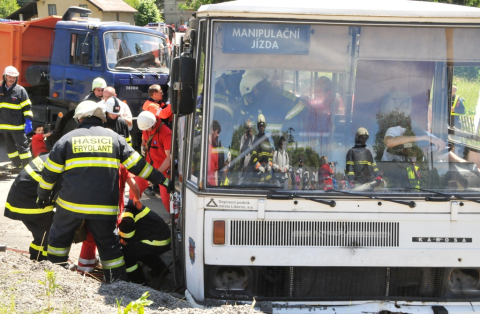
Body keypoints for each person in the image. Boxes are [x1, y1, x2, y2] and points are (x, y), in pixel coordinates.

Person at [37, 100, 173, 283]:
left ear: (79, 119)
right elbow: (139, 166)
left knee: (59, 241)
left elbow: (49, 174)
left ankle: (53, 280)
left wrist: (42, 196)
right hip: (104, 208)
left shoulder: (67, 139)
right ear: (101, 119)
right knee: (110, 248)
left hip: (70, 205)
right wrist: (163, 180)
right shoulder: (115, 138)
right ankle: (117, 285)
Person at [4, 154, 58, 261]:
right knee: (53, 234)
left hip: (22, 198)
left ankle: (36, 259)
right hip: (30, 201)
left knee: (41, 235)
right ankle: (50, 263)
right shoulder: (61, 162)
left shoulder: (54, 155)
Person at [119, 199, 171, 284]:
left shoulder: (125, 211)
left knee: (127, 254)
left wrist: (123, 240)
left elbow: (126, 237)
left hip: (156, 241)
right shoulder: (128, 204)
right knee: (141, 250)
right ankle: (161, 270)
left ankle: (138, 282)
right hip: (160, 238)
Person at [134, 111, 172, 215]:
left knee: (167, 200)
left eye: (146, 128)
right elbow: (144, 135)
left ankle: (176, 220)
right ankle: (131, 215)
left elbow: (168, 159)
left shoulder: (166, 133)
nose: (145, 131)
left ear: (153, 124)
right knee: (135, 190)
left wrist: (155, 175)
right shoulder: (146, 126)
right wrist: (143, 144)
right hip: (148, 167)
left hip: (162, 171)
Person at [0, 66, 33, 169]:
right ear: (5, 76)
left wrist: (28, 121)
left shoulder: (20, 90)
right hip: (4, 125)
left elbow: (27, 108)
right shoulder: (0, 89)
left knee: (23, 147)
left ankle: (27, 168)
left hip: (17, 125)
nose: (12, 79)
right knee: (10, 148)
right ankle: (17, 165)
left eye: (14, 77)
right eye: (10, 77)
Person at [251, 114, 272, 184]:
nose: (261, 127)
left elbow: (270, 153)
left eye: (263, 126)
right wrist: (258, 165)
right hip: (259, 171)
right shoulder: (256, 139)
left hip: (266, 169)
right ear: (258, 127)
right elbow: (253, 154)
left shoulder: (267, 139)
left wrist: (269, 164)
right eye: (260, 126)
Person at [238, 120, 254, 185]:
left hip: (250, 170)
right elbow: (241, 151)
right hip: (243, 170)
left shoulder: (253, 138)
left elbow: (254, 151)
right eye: (247, 129)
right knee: (239, 186)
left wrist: (251, 137)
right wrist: (246, 139)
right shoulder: (243, 138)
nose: (248, 130)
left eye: (249, 129)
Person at [208, 120, 221, 186]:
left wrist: (216, 186)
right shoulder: (202, 145)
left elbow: (216, 171)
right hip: (203, 184)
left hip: (212, 186)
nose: (218, 135)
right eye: (217, 132)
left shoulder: (215, 148)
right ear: (212, 130)